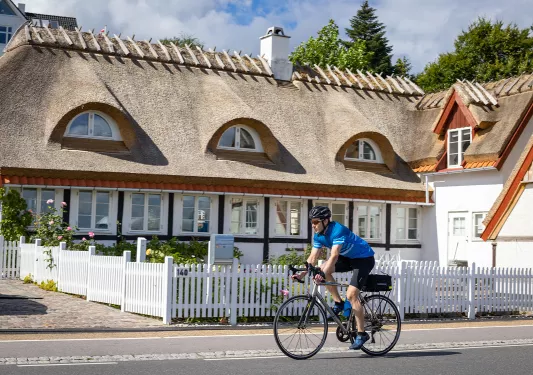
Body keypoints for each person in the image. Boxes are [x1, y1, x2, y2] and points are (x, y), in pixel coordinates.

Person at [293, 205, 375, 350]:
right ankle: (339, 303)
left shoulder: (337, 230)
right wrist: (303, 272)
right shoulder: (318, 236)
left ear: (325, 220)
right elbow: (312, 257)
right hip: (348, 258)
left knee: (351, 294)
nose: (313, 225)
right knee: (322, 269)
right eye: (312, 222)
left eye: (316, 222)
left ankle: (362, 334)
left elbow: (334, 255)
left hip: (364, 259)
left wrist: (323, 273)